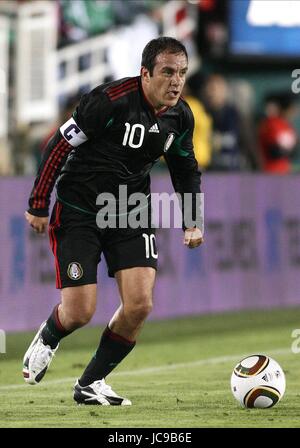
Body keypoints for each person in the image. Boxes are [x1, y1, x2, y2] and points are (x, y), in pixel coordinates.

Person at [23, 37, 203, 406]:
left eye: (182, 73)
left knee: (139, 305)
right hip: (80, 210)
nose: (176, 82)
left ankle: (91, 382)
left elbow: (186, 169)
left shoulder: (180, 117)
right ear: (145, 73)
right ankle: (49, 336)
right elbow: (60, 144)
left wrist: (192, 220)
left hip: (130, 210)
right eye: (168, 72)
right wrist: (39, 202)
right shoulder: (108, 100)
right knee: (79, 312)